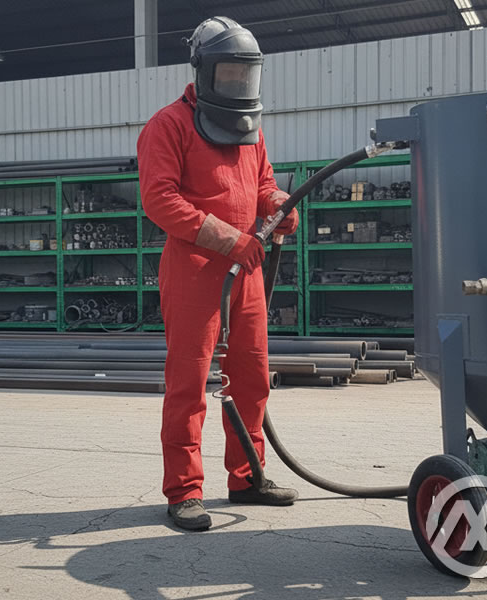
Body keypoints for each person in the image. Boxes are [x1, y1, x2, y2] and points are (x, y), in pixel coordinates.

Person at [137, 16, 299, 531]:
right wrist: (229, 238)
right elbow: (160, 201)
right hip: (194, 270)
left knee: (251, 379)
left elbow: (263, 185)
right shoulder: (168, 125)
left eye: (243, 73)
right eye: (226, 72)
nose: (236, 83)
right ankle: (184, 491)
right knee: (188, 385)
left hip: (246, 270)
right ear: (203, 72)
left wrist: (279, 204)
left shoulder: (250, 129)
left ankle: (247, 478)